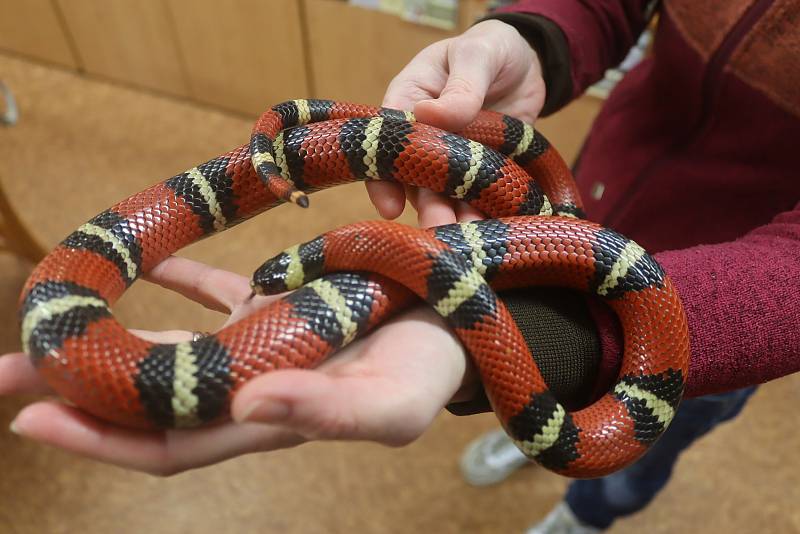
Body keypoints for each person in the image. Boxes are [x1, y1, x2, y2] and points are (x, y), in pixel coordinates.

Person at [0, 0, 798, 530]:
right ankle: (537, 416)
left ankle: (585, 509)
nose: (278, 282)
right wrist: (529, 36)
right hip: (584, 203)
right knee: (538, 375)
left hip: (719, 313)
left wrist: (504, 332)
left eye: (294, 273)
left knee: (638, 454)